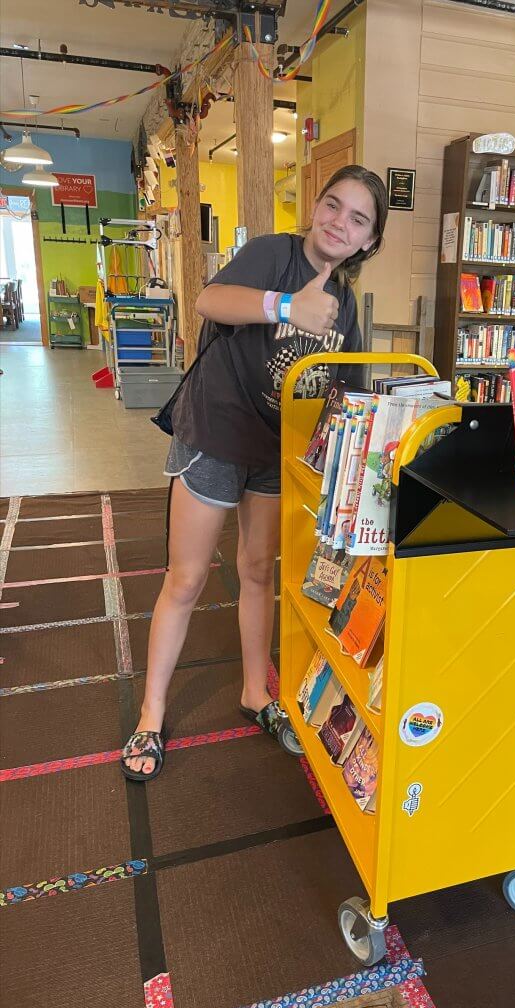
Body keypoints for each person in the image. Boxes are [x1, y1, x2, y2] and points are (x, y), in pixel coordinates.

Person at [121, 165, 388, 781]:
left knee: (256, 572)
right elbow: (210, 301)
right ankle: (150, 715)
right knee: (185, 579)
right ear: (315, 208)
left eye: (357, 218)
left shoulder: (347, 306)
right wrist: (287, 304)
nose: (339, 222)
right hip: (214, 432)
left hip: (274, 451)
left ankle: (255, 694)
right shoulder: (274, 255)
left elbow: (345, 391)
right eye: (332, 205)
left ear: (369, 240)